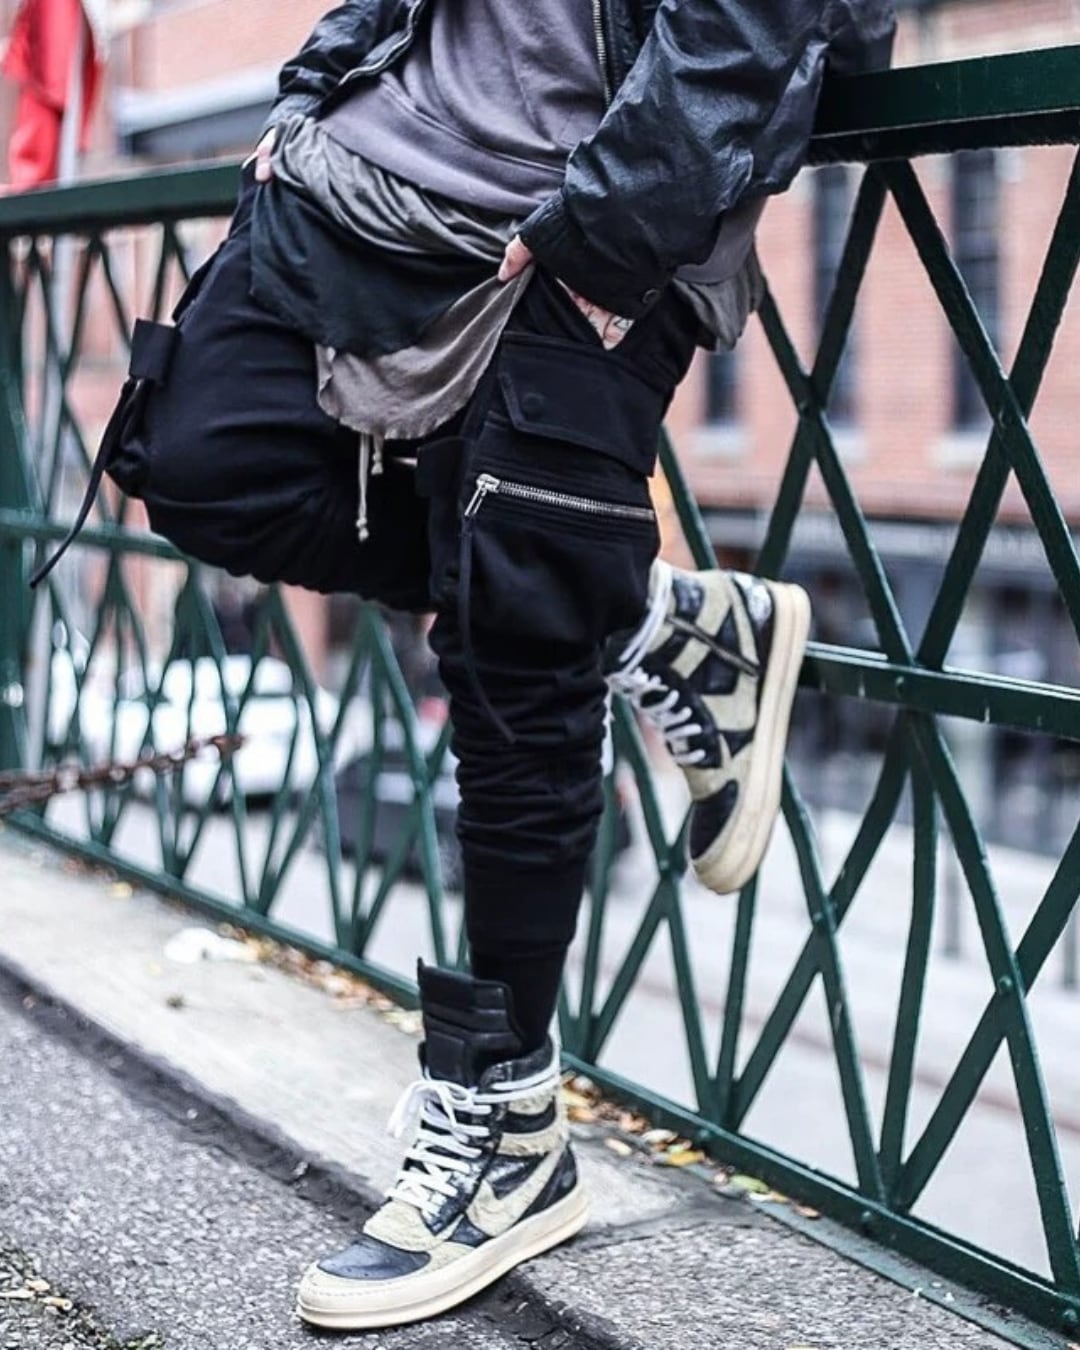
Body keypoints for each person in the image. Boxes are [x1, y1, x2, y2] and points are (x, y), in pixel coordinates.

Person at [47, 0, 894, 1330]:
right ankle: (662, 629)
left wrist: (608, 229)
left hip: (583, 218)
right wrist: (313, 88)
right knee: (200, 458)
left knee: (517, 630)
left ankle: (508, 1126)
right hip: (364, 176)